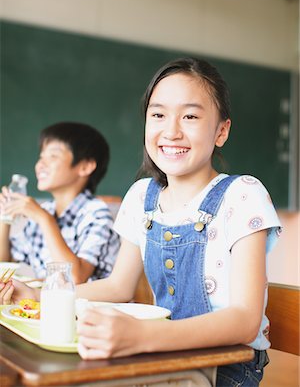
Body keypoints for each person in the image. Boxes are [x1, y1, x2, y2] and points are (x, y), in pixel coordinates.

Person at [0, 59, 281, 386]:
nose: (172, 131)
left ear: (221, 131)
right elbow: (118, 287)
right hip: (159, 359)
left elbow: (246, 321)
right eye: (158, 115)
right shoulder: (141, 197)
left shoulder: (242, 194)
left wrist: (143, 336)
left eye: (190, 116)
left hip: (226, 367)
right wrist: (42, 298)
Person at [0, 122, 120, 284]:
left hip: (92, 307)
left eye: (53, 156)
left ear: (85, 167)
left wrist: (45, 219)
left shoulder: (96, 213)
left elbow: (75, 279)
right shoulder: (45, 210)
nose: (40, 165)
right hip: (50, 306)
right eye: (41, 156)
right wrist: (4, 218)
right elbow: (4, 264)